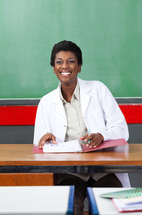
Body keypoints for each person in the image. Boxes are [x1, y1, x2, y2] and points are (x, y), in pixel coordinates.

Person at [33, 40, 130, 214]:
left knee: (109, 208)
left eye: (71, 61)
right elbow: (39, 145)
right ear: (53, 68)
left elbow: (122, 130)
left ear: (79, 67)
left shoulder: (98, 89)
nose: (65, 66)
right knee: (69, 207)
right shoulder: (46, 102)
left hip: (103, 169)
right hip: (70, 171)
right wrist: (44, 140)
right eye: (59, 62)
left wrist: (102, 135)